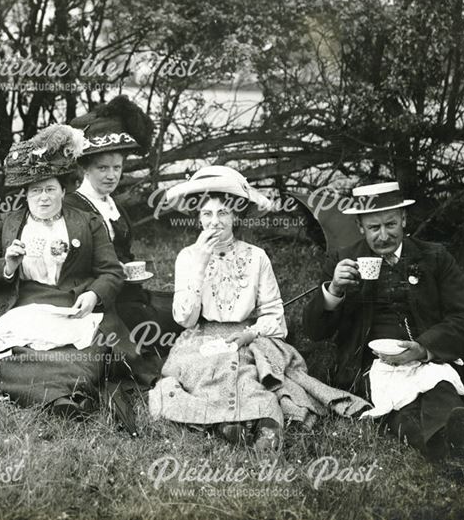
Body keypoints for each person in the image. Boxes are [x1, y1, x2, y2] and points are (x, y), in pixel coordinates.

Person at [149, 166, 370, 451]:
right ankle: (229, 424)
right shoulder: (188, 257)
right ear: (198, 218)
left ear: (236, 216)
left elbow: (274, 315)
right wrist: (200, 263)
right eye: (207, 214)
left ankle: (260, 425)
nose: (214, 222)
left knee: (248, 375)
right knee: (206, 371)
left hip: (248, 335)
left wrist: (251, 334)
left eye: (223, 213)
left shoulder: (257, 257)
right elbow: (185, 318)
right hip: (201, 336)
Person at [302, 181, 464, 473]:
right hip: (372, 365)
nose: (383, 235)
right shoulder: (341, 262)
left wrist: (423, 349)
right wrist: (333, 290)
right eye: (374, 228)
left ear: (404, 219)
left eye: (390, 224)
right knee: (399, 407)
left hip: (424, 355)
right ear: (360, 226)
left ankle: (457, 445)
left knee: (440, 386)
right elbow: (314, 331)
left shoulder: (435, 257)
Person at [0, 125, 125, 419]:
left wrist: (93, 294)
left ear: (63, 190)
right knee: (10, 343)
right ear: (24, 194)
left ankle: (54, 391)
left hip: (70, 305)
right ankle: (48, 390)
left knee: (84, 352)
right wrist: (7, 265)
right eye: (36, 191)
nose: (44, 198)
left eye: (51, 189)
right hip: (21, 304)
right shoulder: (4, 222)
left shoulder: (88, 222)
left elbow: (111, 272)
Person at [65, 95, 180, 385]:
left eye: (116, 168)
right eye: (103, 168)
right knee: (146, 332)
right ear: (84, 169)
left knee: (173, 317)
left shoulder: (112, 204)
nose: (111, 175)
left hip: (128, 289)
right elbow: (72, 264)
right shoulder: (75, 205)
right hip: (96, 295)